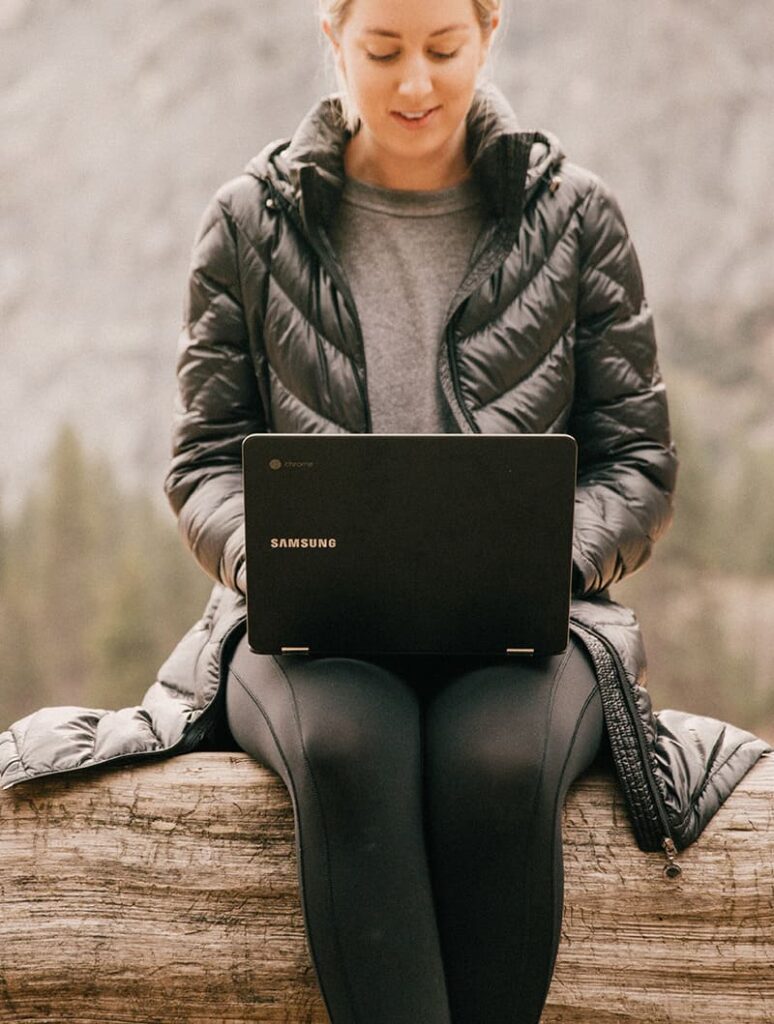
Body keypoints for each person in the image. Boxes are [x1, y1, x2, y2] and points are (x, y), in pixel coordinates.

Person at [1, 1, 771, 1022]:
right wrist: (272, 561)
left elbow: (636, 464)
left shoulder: (577, 215)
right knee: (344, 748)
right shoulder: (249, 220)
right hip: (309, 637)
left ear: (490, 36)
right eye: (383, 50)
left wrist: (542, 562)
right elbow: (202, 465)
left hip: (527, 633)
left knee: (495, 761)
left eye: (444, 49)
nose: (416, 83)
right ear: (332, 42)